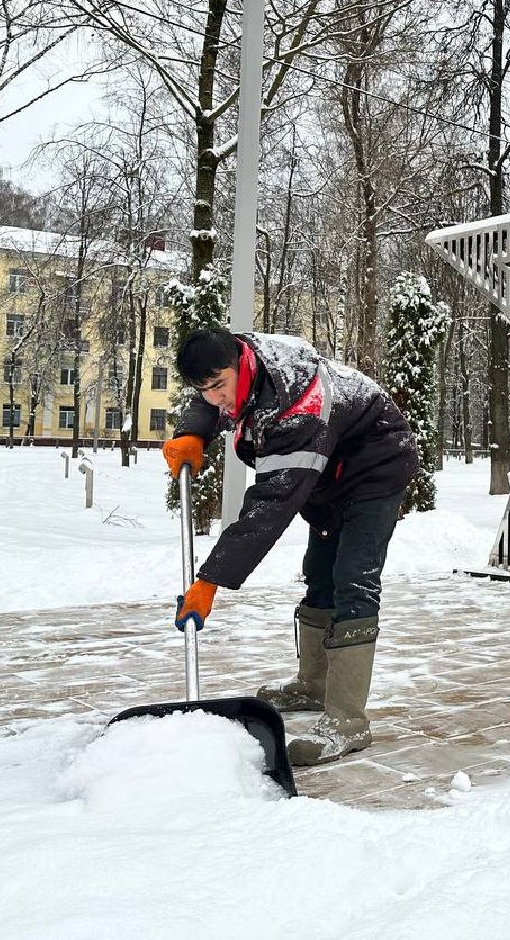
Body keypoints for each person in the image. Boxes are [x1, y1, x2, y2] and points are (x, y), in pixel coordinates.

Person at [163, 328, 418, 766]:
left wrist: (211, 581)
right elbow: (212, 397)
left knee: (353, 581)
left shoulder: (298, 406)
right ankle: (314, 685)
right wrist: (194, 431)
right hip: (328, 473)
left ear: (240, 364)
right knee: (319, 575)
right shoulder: (242, 367)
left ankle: (348, 720)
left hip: (375, 465)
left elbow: (271, 505)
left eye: (219, 386)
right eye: (203, 391)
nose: (215, 399)